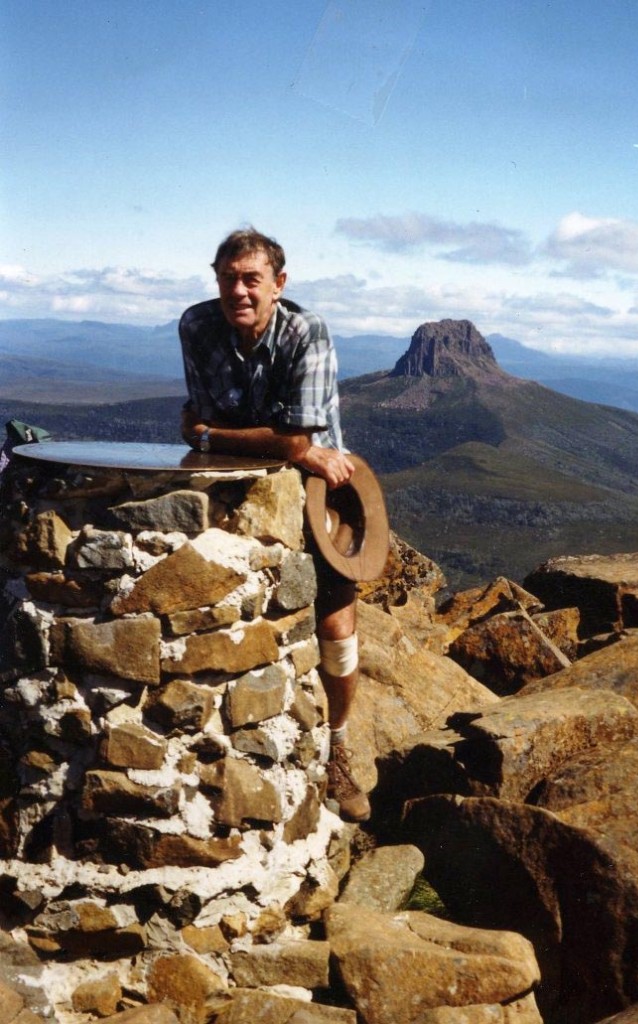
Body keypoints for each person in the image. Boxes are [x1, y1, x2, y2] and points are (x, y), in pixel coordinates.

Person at [179, 227, 370, 822]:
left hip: (319, 492)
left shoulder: (304, 330)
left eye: (251, 280)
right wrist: (260, 439)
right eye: (228, 278)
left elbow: (293, 442)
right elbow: (217, 425)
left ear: (278, 285)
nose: (239, 290)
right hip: (232, 484)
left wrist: (215, 435)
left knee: (336, 624)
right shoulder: (196, 325)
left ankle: (338, 744)